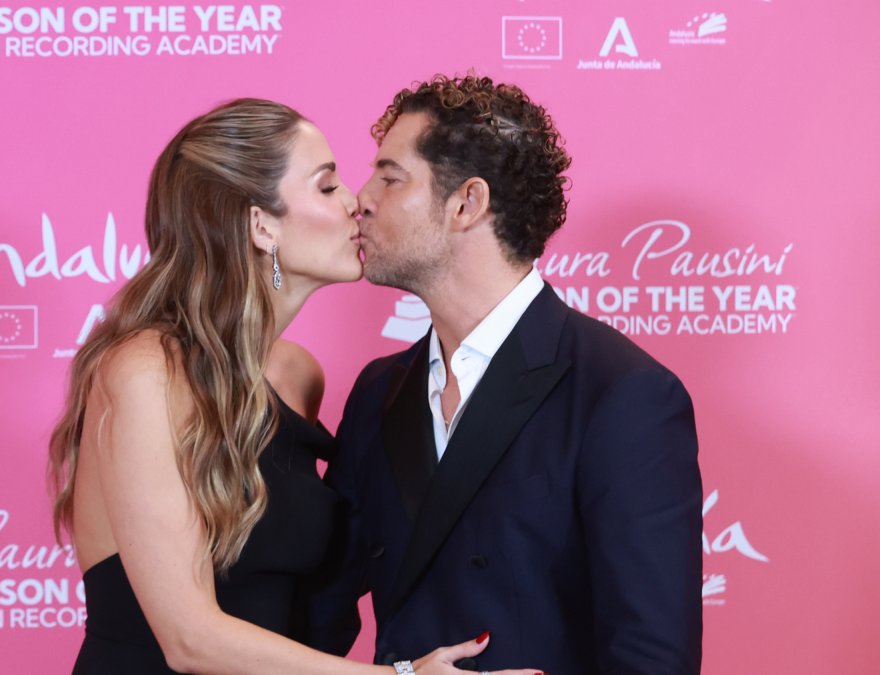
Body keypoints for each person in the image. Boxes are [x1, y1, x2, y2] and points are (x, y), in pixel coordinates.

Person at [47, 99, 540, 674]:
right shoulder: (145, 371)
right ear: (261, 225)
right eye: (327, 186)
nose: (356, 201)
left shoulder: (298, 377)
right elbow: (188, 639)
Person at [306, 75, 704, 673]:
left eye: (390, 178)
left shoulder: (622, 394)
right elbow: (317, 617)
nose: (360, 199)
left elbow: (653, 658)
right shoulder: (377, 392)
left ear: (467, 203)